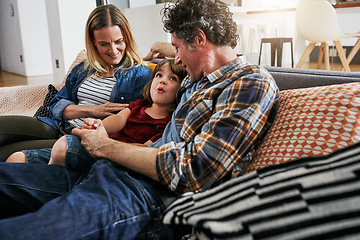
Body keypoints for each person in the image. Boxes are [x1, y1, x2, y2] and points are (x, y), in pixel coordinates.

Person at [0, 0, 278, 239]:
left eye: (178, 47)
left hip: (144, 196)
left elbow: (194, 170)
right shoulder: (197, 80)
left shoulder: (249, 83)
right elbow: (173, 66)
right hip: (110, 172)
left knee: (24, 232)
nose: (177, 58)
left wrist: (104, 146)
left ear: (200, 39)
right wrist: (166, 47)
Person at [0, 4, 152, 162]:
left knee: (6, 155)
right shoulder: (83, 69)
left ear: (127, 37)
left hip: (79, 138)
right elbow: (55, 104)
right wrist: (94, 110)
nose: (113, 50)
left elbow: (134, 121)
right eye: (104, 44)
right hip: (56, 124)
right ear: (93, 42)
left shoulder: (139, 74)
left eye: (118, 41)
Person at [47, 59, 185, 171]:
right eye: (159, 75)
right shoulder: (140, 104)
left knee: (63, 146)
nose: (163, 80)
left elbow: (146, 149)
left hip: (122, 159)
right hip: (103, 147)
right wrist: (99, 126)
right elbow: (118, 119)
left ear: (181, 90)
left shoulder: (168, 123)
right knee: (61, 146)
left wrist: (108, 144)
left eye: (173, 78)